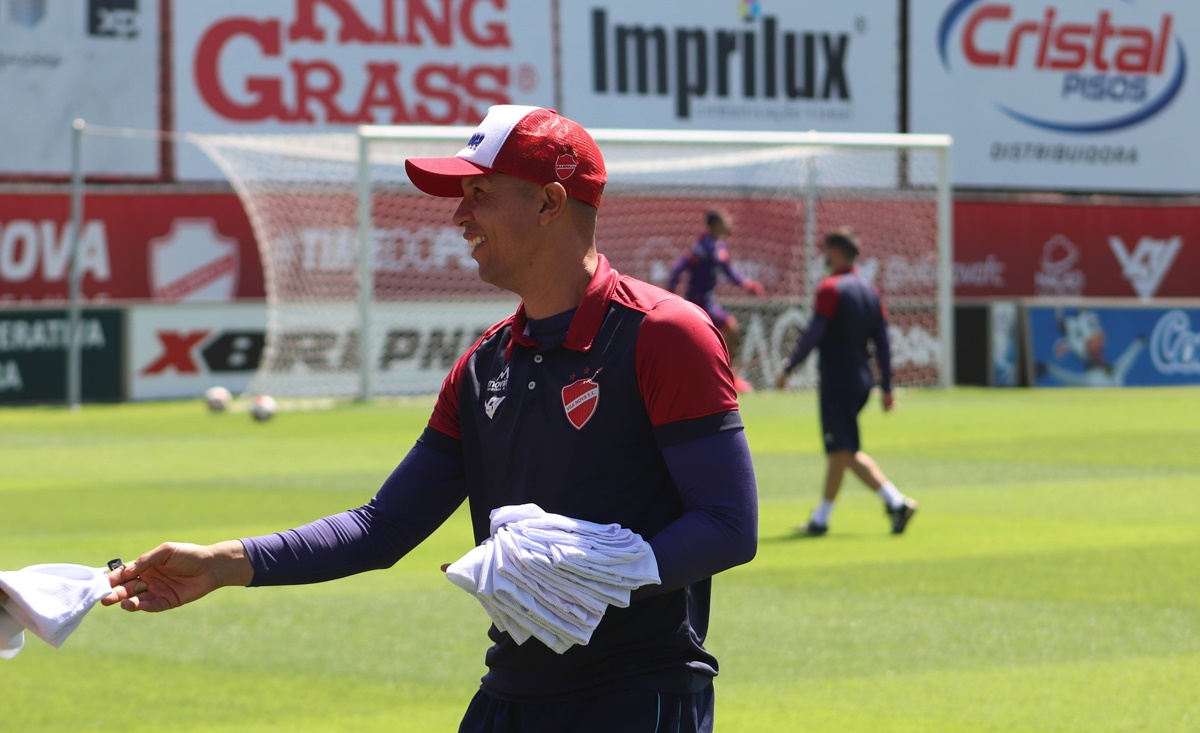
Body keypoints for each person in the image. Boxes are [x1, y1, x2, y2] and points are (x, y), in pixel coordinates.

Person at [102, 105, 758, 733]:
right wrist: (222, 563)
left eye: (479, 193)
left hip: (636, 700)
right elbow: (381, 527)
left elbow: (729, 524)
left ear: (550, 204)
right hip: (508, 696)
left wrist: (604, 572)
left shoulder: (665, 333)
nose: (458, 215)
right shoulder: (482, 364)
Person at [773, 227, 916, 536]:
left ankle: (896, 501)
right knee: (838, 450)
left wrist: (789, 367)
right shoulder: (870, 293)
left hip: (838, 381)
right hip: (862, 380)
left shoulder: (830, 289)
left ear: (836, 252)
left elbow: (814, 333)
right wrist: (887, 387)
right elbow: (884, 344)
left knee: (845, 450)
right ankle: (821, 519)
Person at [667, 210, 764, 392]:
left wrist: (747, 284)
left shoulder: (718, 247)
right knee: (713, 338)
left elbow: (729, 272)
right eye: (726, 219)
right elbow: (680, 267)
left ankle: (727, 377)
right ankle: (723, 378)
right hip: (698, 304)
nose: (730, 222)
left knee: (727, 334)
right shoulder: (703, 248)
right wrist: (670, 291)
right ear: (717, 224)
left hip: (708, 303)